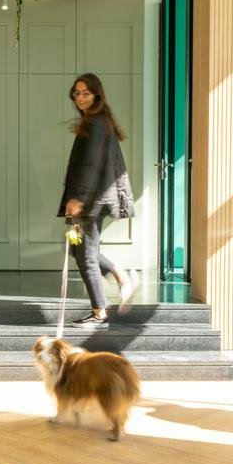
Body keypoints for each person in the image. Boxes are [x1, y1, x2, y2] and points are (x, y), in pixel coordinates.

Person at [58, 73, 138, 329]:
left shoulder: (96, 123)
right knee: (77, 249)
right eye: (77, 93)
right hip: (94, 198)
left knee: (86, 257)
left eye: (86, 93)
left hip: (92, 200)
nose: (80, 98)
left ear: (97, 95)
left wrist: (78, 198)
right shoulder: (96, 121)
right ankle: (121, 276)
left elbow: (90, 164)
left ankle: (99, 312)